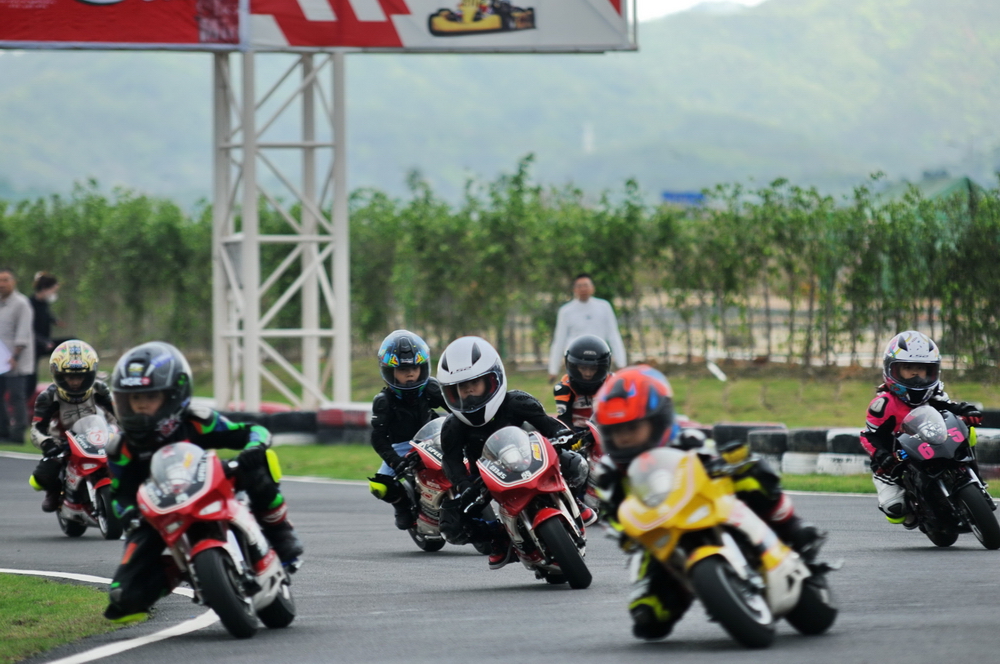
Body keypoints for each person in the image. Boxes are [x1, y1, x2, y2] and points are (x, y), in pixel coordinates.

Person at [589, 365, 823, 640]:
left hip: (707, 501)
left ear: (658, 419)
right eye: (615, 431)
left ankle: (792, 527)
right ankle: (687, 592)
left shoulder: (685, 437)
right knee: (649, 618)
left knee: (752, 472)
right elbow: (611, 513)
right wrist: (625, 533)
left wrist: (727, 464)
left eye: (632, 427)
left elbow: (712, 458)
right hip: (658, 534)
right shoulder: (608, 474)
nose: (624, 437)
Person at [102, 341, 304, 623]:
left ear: (174, 395)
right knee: (122, 596)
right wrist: (130, 515)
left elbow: (252, 431)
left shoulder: (197, 421)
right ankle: (168, 573)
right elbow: (119, 494)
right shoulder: (121, 448)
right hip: (158, 512)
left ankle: (279, 531)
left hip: (208, 484)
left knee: (260, 462)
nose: (141, 406)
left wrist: (254, 448)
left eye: (150, 397)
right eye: (134, 399)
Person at [436, 336, 594, 570]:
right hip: (486, 478)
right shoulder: (452, 426)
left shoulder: (517, 401)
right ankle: (499, 538)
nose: (468, 391)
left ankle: (574, 501)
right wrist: (463, 485)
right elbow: (451, 461)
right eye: (460, 388)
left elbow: (548, 424)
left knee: (573, 462)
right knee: (452, 522)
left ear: (493, 379)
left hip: (531, 459)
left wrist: (565, 436)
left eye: (475, 383)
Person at [860, 331, 982, 526]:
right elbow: (869, 437)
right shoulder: (883, 404)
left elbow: (950, 407)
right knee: (895, 510)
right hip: (897, 459)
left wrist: (967, 411)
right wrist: (882, 456)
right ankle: (913, 504)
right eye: (908, 368)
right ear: (892, 369)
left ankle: (972, 473)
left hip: (936, 441)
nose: (916, 375)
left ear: (932, 371)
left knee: (970, 430)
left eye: (922, 369)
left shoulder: (935, 392)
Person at [367, 330, 447, 530]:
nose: (410, 373)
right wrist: (394, 460)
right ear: (390, 371)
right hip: (402, 447)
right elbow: (378, 437)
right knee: (379, 486)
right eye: (403, 370)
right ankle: (402, 506)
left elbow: (456, 408)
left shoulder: (432, 387)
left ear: (423, 367)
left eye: (414, 368)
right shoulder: (383, 401)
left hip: (434, 437)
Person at [28, 340, 116, 512]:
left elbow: (117, 414)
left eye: (80, 376)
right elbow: (37, 428)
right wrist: (47, 443)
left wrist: (122, 431)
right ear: (58, 374)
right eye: (70, 377)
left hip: (96, 434)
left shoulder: (99, 389)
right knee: (42, 476)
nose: (75, 382)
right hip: (62, 440)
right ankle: (54, 492)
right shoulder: (48, 397)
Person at [547, 273, 627, 383]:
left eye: (586, 285)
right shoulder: (566, 311)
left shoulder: (604, 307)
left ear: (592, 288)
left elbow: (613, 335)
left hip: (599, 358)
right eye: (579, 286)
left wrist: (621, 364)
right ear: (574, 289)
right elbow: (559, 340)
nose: (583, 289)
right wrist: (553, 369)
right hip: (576, 360)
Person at [0, 267, 34, 444]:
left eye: (6, 280)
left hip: (16, 361)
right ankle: (3, 430)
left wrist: (15, 357)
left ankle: (18, 434)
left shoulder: (21, 303)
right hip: (1, 360)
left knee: (16, 397)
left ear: (13, 282)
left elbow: (23, 333)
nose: (2, 284)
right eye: (0, 280)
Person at [553, 334, 613, 431]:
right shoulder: (564, 388)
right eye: (583, 368)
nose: (588, 374)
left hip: (606, 428)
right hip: (576, 432)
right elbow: (564, 421)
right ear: (573, 366)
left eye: (593, 368)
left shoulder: (613, 383)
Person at [26, 272, 60, 403]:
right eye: (53, 290)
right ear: (45, 289)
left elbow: (46, 315)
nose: (54, 294)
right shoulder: (29, 304)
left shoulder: (44, 304)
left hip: (44, 343)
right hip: (33, 346)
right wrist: (43, 341)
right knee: (30, 380)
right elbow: (28, 328)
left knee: (72, 341)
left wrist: (55, 321)